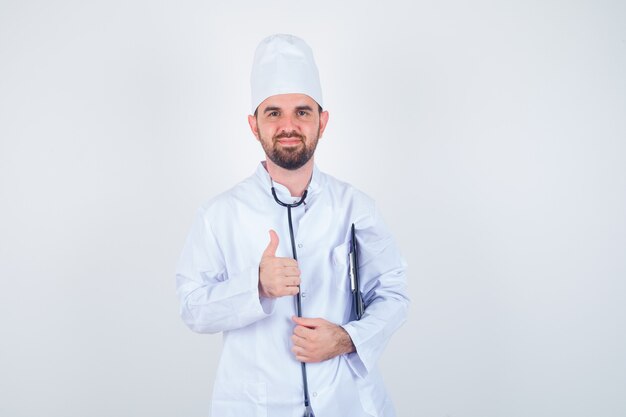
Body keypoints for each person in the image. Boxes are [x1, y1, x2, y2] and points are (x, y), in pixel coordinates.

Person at [176, 34, 409, 417]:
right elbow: (192, 307)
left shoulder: (356, 208)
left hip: (347, 402)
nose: (288, 125)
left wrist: (348, 338)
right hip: (255, 406)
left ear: (323, 121)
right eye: (273, 113)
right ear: (254, 125)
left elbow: (394, 295)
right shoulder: (219, 214)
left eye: (302, 111)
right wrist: (256, 286)